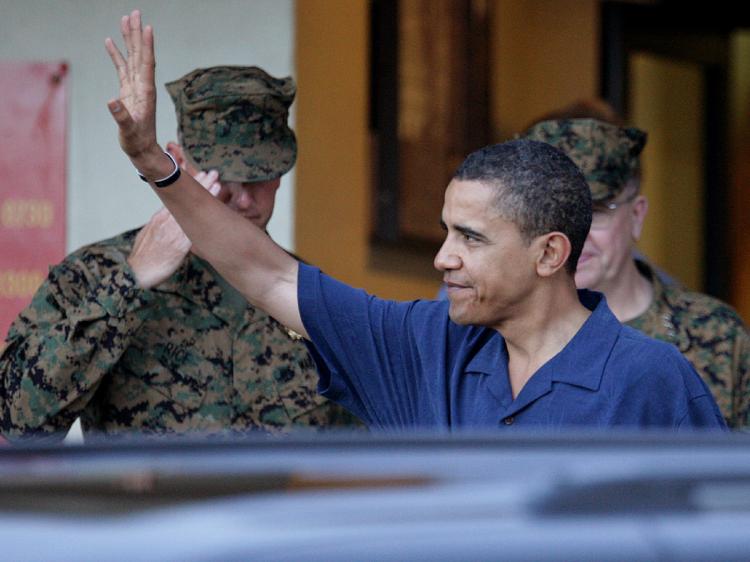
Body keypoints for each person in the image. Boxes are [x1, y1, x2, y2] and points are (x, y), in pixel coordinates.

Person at [103, 11, 726, 430]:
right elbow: (269, 278)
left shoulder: (650, 382)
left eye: (471, 238)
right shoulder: (431, 346)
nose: (442, 257)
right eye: (447, 231)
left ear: (549, 254)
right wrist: (154, 163)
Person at [0, 59, 356, 441]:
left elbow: (366, 451)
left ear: (280, 176)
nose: (242, 199)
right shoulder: (96, 274)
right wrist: (129, 283)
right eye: (223, 176)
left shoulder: (308, 295)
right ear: (178, 161)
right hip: (147, 503)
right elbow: (18, 421)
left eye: (259, 177)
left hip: (272, 502)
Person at [521, 118, 750, 428]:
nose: (570, 236)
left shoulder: (716, 335)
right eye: (549, 214)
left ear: (637, 215)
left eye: (595, 213)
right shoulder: (501, 337)